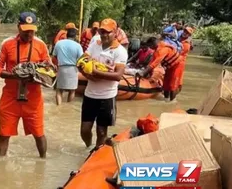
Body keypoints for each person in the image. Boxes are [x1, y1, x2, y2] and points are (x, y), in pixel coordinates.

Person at [0, 12, 52, 158]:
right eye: (26, 30)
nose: (29, 34)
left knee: (39, 134)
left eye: (32, 30)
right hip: (10, 98)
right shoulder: (7, 44)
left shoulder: (41, 45)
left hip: (33, 100)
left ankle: (42, 162)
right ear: (18, 27)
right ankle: (0, 165)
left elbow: (49, 68)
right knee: (4, 134)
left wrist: (43, 73)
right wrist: (14, 75)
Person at [79, 18, 128, 148]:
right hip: (90, 94)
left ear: (115, 32)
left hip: (107, 97)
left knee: (101, 132)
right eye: (102, 31)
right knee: (84, 130)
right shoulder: (95, 43)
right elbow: (81, 61)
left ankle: (95, 155)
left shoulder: (120, 51)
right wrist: (87, 75)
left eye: (108, 32)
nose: (104, 35)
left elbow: (118, 76)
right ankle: (88, 147)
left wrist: (96, 72)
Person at [140, 27, 184, 102]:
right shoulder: (156, 51)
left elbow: (155, 63)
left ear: (153, 44)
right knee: (166, 84)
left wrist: (143, 73)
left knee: (172, 84)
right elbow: (151, 63)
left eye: (150, 46)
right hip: (169, 67)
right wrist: (145, 74)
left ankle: (172, 101)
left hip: (177, 65)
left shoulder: (163, 49)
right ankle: (166, 99)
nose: (150, 48)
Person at [53, 28, 84, 105]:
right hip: (73, 69)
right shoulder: (78, 46)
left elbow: (54, 57)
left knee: (59, 90)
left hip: (61, 68)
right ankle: (68, 106)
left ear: (66, 35)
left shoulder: (59, 43)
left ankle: (59, 107)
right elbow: (81, 59)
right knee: (72, 90)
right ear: (75, 36)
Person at [178, 26, 194, 93]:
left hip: (180, 61)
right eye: (185, 31)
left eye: (187, 32)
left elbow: (179, 54)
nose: (185, 33)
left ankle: (177, 90)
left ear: (189, 35)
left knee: (179, 79)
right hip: (175, 60)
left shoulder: (186, 44)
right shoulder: (179, 38)